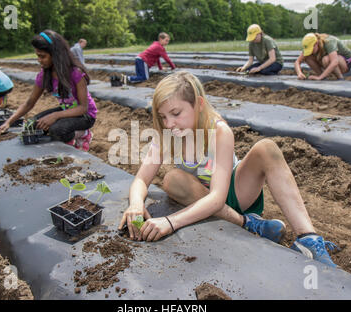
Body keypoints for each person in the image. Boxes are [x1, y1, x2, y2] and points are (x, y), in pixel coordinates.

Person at [118, 71, 339, 268]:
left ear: (199, 104)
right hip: (200, 194)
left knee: (267, 148)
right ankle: (251, 225)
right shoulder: (168, 135)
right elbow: (141, 180)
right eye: (163, 117)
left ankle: (308, 239)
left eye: (176, 113)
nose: (169, 124)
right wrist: (136, 203)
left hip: (233, 193)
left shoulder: (219, 130)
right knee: (173, 179)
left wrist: (170, 221)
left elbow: (217, 197)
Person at [0, 30, 97, 151]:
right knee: (31, 126)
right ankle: (67, 134)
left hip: (85, 115)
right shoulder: (44, 75)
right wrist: (9, 122)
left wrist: (55, 116)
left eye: (42, 56)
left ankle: (83, 134)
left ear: (56, 55)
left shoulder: (75, 73)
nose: (39, 60)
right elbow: (29, 103)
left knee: (57, 130)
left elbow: (83, 108)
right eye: (37, 56)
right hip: (67, 110)